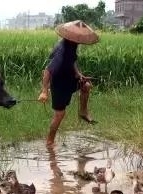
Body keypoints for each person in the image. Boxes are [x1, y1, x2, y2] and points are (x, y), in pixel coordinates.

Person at [38, 20, 99, 148]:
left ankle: (83, 112)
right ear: (71, 36)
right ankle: (50, 141)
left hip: (69, 78)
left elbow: (72, 62)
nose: (79, 39)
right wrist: (44, 91)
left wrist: (78, 74)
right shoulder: (63, 50)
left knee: (86, 85)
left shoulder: (71, 46)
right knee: (60, 114)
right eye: (78, 37)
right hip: (59, 84)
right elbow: (48, 71)